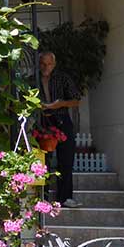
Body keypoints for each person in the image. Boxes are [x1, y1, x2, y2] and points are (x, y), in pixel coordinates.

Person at [38, 51, 82, 208]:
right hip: (43, 121)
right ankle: (41, 198)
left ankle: (65, 197)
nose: (46, 67)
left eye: (49, 64)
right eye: (43, 63)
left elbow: (76, 99)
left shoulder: (62, 78)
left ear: (54, 64)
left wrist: (60, 104)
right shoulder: (33, 80)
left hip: (62, 119)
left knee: (66, 159)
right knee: (43, 160)